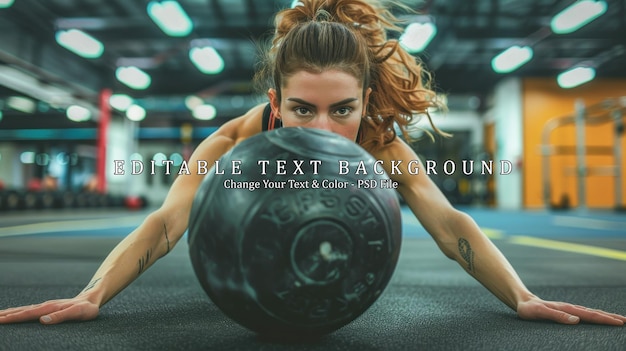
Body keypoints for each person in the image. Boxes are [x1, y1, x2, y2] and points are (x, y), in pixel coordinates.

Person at [1, 0, 624, 327]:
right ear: (274, 101)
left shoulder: (379, 143)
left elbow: (448, 221)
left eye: (342, 111)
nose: (323, 130)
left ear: (364, 102)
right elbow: (167, 224)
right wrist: (92, 295)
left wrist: (521, 297)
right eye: (302, 110)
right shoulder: (230, 143)